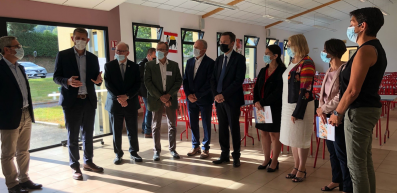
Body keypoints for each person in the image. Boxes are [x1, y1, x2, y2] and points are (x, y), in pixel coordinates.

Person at [329, 8, 387, 193]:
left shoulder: (366, 50)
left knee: (355, 166)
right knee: (364, 161)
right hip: (364, 110)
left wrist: (337, 112)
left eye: (352, 23)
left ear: (363, 26)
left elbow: (353, 90)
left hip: (358, 111)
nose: (350, 27)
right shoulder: (371, 48)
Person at [53, 28, 104, 180]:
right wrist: (67, 81)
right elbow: (56, 77)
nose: (80, 40)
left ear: (88, 40)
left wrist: (99, 81)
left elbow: (97, 79)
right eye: (77, 38)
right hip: (71, 102)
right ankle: (75, 165)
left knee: (88, 134)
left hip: (88, 101)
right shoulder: (63, 55)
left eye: (83, 38)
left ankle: (88, 162)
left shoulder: (93, 58)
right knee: (73, 136)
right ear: (73, 39)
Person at [0, 36, 43, 193]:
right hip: (8, 118)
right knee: (8, 154)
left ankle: (24, 179)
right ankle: (12, 184)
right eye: (17, 46)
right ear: (7, 49)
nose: (20, 48)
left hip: (25, 114)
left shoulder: (21, 67)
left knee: (24, 151)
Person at [317, 39, 352, 193]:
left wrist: (324, 108)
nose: (323, 52)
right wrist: (320, 109)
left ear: (332, 51)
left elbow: (341, 96)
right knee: (332, 152)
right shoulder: (329, 69)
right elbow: (323, 94)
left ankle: (346, 186)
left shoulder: (344, 69)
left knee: (341, 153)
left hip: (336, 116)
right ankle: (335, 180)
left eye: (325, 50)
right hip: (324, 117)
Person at [280, 34, 315, 182]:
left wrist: (297, 112)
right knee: (292, 138)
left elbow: (305, 90)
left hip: (301, 105)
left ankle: (302, 167)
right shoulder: (292, 61)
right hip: (288, 105)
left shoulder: (307, 62)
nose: (288, 48)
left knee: (301, 138)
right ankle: (295, 165)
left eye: (290, 44)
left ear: (298, 45)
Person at [210, 32, 246, 167]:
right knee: (222, 128)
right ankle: (224, 154)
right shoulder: (218, 60)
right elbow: (213, 79)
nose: (222, 44)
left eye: (225, 42)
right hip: (219, 100)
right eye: (221, 41)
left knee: (234, 127)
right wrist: (216, 95)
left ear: (232, 43)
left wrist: (223, 94)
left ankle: (236, 155)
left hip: (232, 99)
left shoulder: (239, 59)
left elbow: (238, 81)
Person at [104, 42, 142, 165]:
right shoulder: (109, 66)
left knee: (132, 129)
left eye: (121, 51)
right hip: (115, 104)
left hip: (130, 103)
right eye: (117, 51)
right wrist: (119, 98)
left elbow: (137, 85)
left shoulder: (135, 66)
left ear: (127, 52)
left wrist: (127, 96)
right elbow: (108, 84)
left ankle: (134, 152)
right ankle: (118, 154)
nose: (119, 53)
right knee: (117, 130)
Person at [144, 42, 182, 161]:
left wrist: (169, 95)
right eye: (157, 49)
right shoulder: (150, 66)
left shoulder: (174, 66)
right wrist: (161, 97)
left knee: (172, 125)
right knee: (156, 126)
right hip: (156, 99)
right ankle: (157, 151)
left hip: (170, 99)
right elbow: (148, 83)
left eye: (162, 49)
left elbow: (178, 81)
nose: (159, 51)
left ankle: (172, 149)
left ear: (167, 51)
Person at [253, 45, 286, 172]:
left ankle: (274, 160)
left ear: (275, 56)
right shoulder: (263, 70)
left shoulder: (282, 71)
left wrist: (263, 102)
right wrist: (257, 101)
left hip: (274, 107)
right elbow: (257, 87)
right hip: (261, 107)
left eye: (268, 53)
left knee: (274, 134)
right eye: (265, 53)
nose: (265, 55)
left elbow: (279, 92)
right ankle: (266, 159)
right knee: (264, 133)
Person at [183, 39, 214, 159]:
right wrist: (188, 94)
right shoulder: (189, 62)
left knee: (206, 123)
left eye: (197, 48)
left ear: (204, 50)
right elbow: (185, 80)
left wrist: (198, 95)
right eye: (194, 47)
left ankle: (205, 148)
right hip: (190, 99)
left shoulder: (210, 63)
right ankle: (195, 146)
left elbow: (210, 83)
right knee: (193, 123)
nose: (194, 49)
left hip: (204, 98)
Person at [138, 48, 156, 138]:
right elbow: (143, 79)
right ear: (148, 56)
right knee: (149, 110)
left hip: (151, 90)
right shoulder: (142, 64)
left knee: (148, 110)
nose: (155, 59)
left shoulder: (152, 63)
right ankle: (147, 131)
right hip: (145, 91)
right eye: (153, 57)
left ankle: (144, 128)